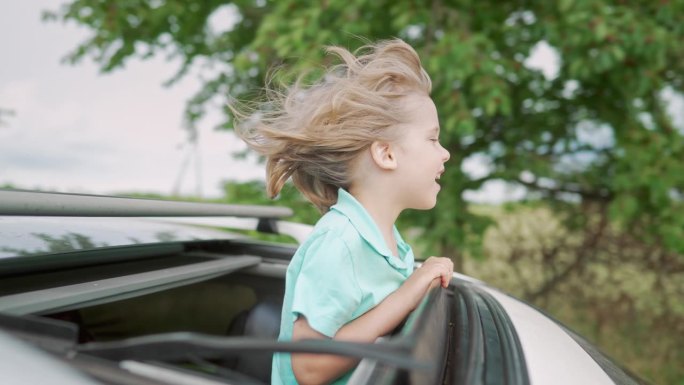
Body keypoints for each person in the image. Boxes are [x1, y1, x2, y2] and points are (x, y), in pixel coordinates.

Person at [233, 38, 454, 385]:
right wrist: (408, 294)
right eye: (432, 139)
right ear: (386, 155)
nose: (445, 154)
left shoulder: (384, 239)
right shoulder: (340, 242)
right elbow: (309, 367)